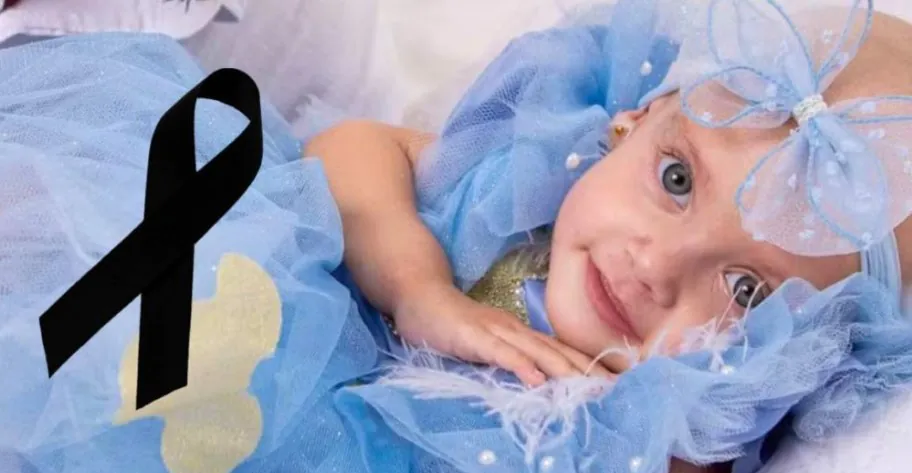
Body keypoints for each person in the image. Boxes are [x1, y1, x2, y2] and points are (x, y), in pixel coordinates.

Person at [2, 2, 912, 473]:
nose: (654, 265)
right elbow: (352, 149)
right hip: (258, 355)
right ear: (633, 121)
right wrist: (419, 287)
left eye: (747, 289)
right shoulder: (528, 178)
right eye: (677, 181)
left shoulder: (667, 427)